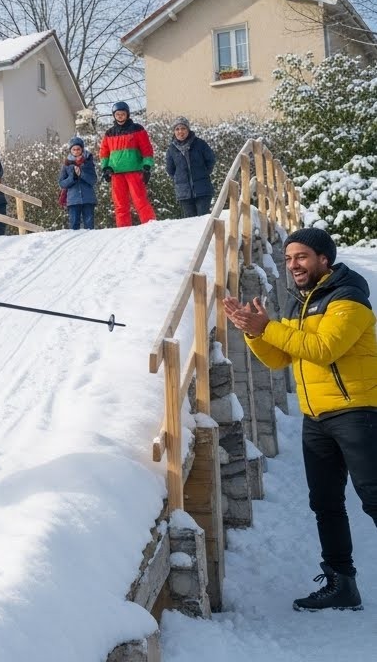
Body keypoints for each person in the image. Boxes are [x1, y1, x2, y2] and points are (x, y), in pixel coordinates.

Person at [224, 227, 377, 612]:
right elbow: (281, 358)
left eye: (302, 257)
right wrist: (254, 334)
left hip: (357, 411)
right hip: (317, 418)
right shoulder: (301, 302)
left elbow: (324, 349)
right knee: (325, 502)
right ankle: (342, 584)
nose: (293, 264)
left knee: (374, 498)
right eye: (289, 258)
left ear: (324, 259)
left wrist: (268, 327)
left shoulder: (349, 298)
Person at [98, 101, 157, 227]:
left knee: (140, 200)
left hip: (134, 171)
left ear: (127, 114)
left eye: (122, 114)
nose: (120, 116)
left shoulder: (137, 129)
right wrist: (105, 168)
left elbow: (146, 149)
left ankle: (150, 226)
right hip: (116, 173)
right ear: (114, 115)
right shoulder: (109, 133)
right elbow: (104, 152)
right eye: (117, 114)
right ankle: (123, 230)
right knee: (120, 204)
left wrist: (147, 166)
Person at [163, 116, 217, 218]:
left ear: (188, 129)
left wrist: (204, 172)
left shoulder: (200, 144)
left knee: (203, 220)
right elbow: (170, 169)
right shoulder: (171, 149)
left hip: (203, 190)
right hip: (184, 193)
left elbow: (211, 160)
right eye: (177, 129)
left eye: (183, 128)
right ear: (174, 131)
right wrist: (179, 178)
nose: (180, 132)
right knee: (190, 223)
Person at [58, 136, 98, 230]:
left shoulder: (88, 162)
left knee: (89, 227)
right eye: (74, 149)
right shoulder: (66, 164)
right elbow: (62, 183)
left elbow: (93, 180)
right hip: (73, 200)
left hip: (88, 199)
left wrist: (81, 174)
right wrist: (73, 177)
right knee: (73, 227)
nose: (76, 151)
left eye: (78, 149)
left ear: (82, 149)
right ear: (70, 150)